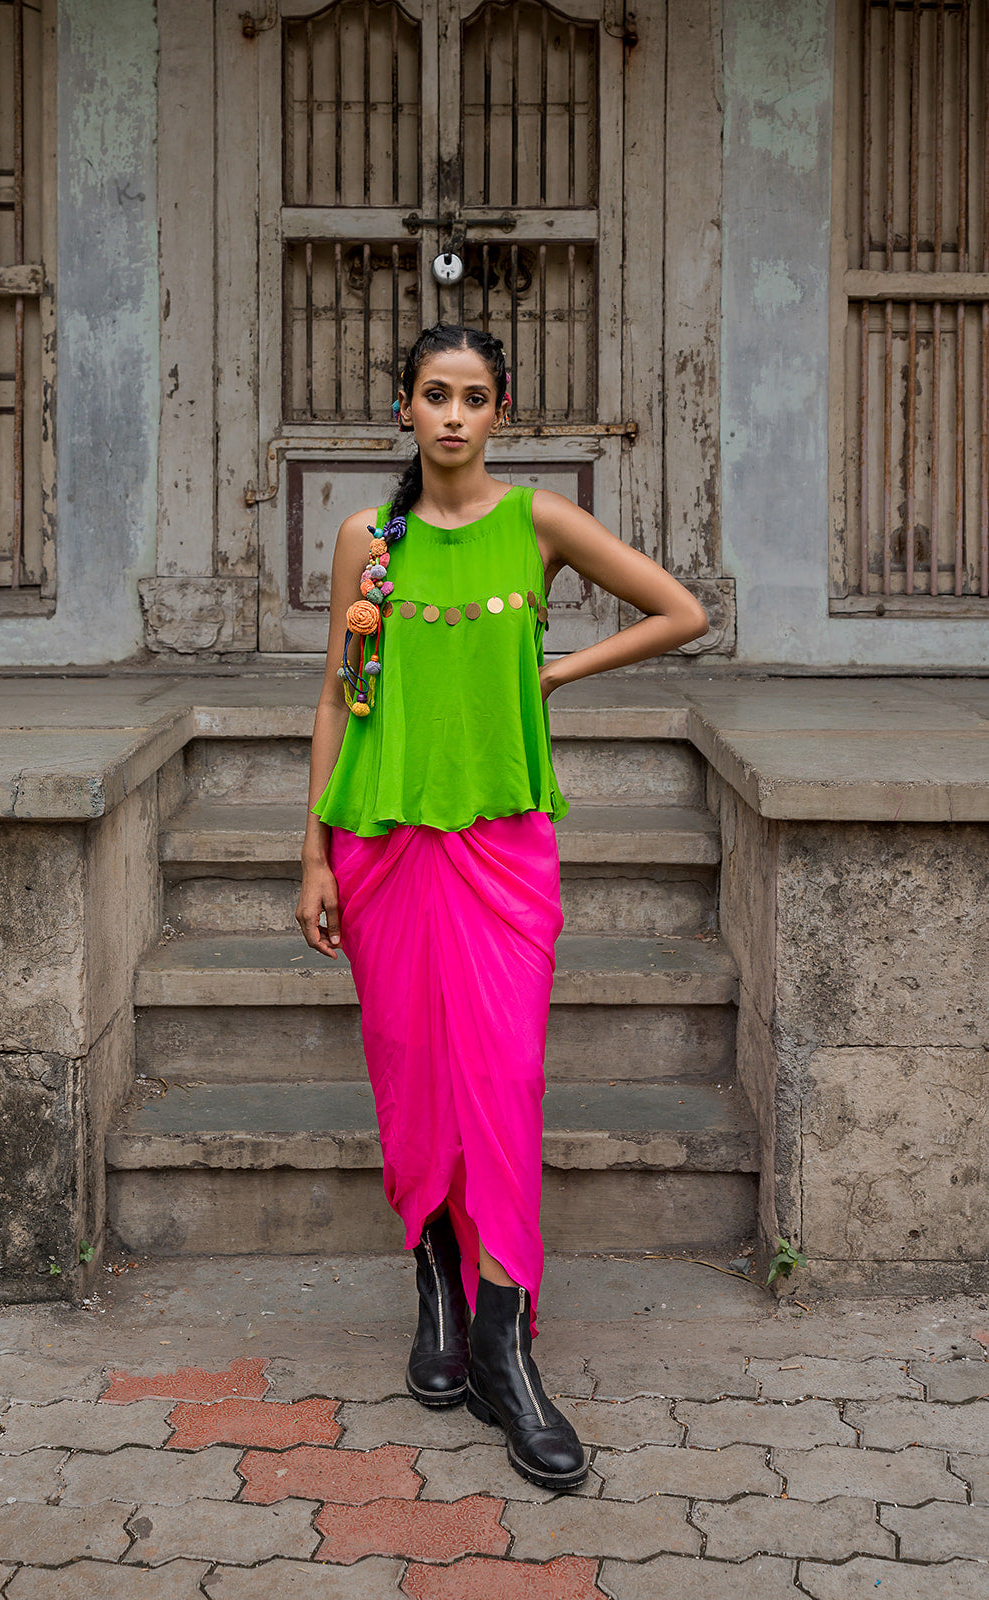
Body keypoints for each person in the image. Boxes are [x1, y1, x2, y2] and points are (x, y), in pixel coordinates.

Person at [296, 323, 708, 1491]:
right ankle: (437, 1279)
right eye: (434, 394)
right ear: (402, 407)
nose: (453, 416)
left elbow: (680, 612)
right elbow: (338, 697)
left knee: (504, 1078)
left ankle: (501, 1338)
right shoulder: (365, 543)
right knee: (413, 1069)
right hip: (381, 847)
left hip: (502, 850)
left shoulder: (538, 524)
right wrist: (312, 853)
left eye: (474, 397)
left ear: (500, 413)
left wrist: (553, 669)